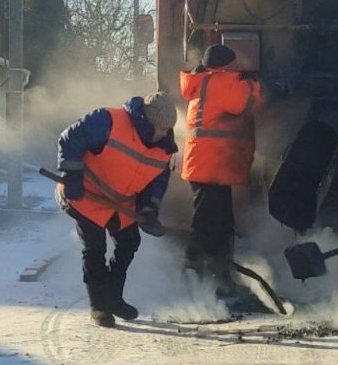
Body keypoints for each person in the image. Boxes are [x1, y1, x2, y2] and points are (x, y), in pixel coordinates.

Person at [57, 92, 178, 327]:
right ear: (148, 121)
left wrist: (149, 209)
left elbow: (156, 183)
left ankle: (113, 298)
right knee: (95, 249)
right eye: (162, 128)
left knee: (129, 242)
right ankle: (99, 306)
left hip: (120, 204)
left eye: (168, 129)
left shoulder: (163, 149)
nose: (165, 134)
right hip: (86, 196)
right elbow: (70, 138)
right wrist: (72, 174)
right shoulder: (108, 121)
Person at [179, 44, 261, 287]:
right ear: (224, 65)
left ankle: (219, 271)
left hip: (208, 164)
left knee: (222, 220)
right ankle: (194, 270)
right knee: (207, 221)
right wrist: (260, 85)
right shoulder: (218, 82)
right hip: (209, 164)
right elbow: (243, 101)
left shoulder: (203, 81)